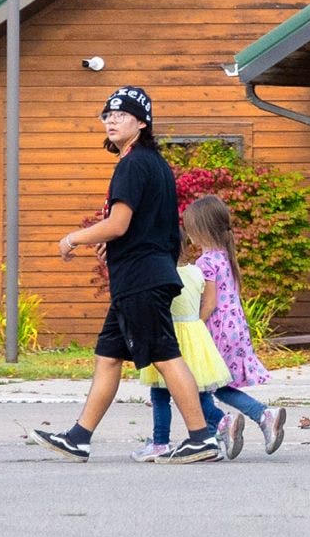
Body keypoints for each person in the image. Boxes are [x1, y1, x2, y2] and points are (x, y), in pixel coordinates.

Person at [27, 86, 221, 463]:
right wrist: (114, 243)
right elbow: (152, 228)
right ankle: (79, 437)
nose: (112, 120)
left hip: (140, 279)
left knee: (165, 355)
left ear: (142, 123)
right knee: (108, 357)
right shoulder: (156, 165)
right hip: (143, 275)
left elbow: (118, 223)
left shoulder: (132, 164)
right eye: (108, 115)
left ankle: (201, 437)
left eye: (122, 115)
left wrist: (74, 238)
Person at [183, 194, 288, 458]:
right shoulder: (225, 257)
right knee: (211, 385)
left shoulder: (205, 262)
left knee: (199, 385)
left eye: (190, 227)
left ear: (200, 230)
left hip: (215, 329)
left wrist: (194, 327)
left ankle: (250, 418)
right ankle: (221, 435)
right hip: (234, 329)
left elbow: (209, 304)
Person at [133, 236, 233, 461]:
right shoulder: (197, 272)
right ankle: (221, 424)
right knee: (197, 390)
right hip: (195, 335)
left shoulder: (162, 275)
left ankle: (160, 443)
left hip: (169, 335)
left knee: (159, 394)